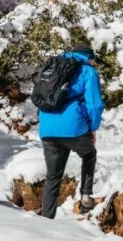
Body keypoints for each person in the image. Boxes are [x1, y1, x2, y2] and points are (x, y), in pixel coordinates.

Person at [38, 42, 105, 219]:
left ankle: (46, 218)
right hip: (74, 127)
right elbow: (95, 105)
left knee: (53, 176)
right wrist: (92, 128)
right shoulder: (88, 71)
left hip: (47, 128)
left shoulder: (53, 67)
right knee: (89, 155)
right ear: (89, 57)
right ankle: (85, 198)